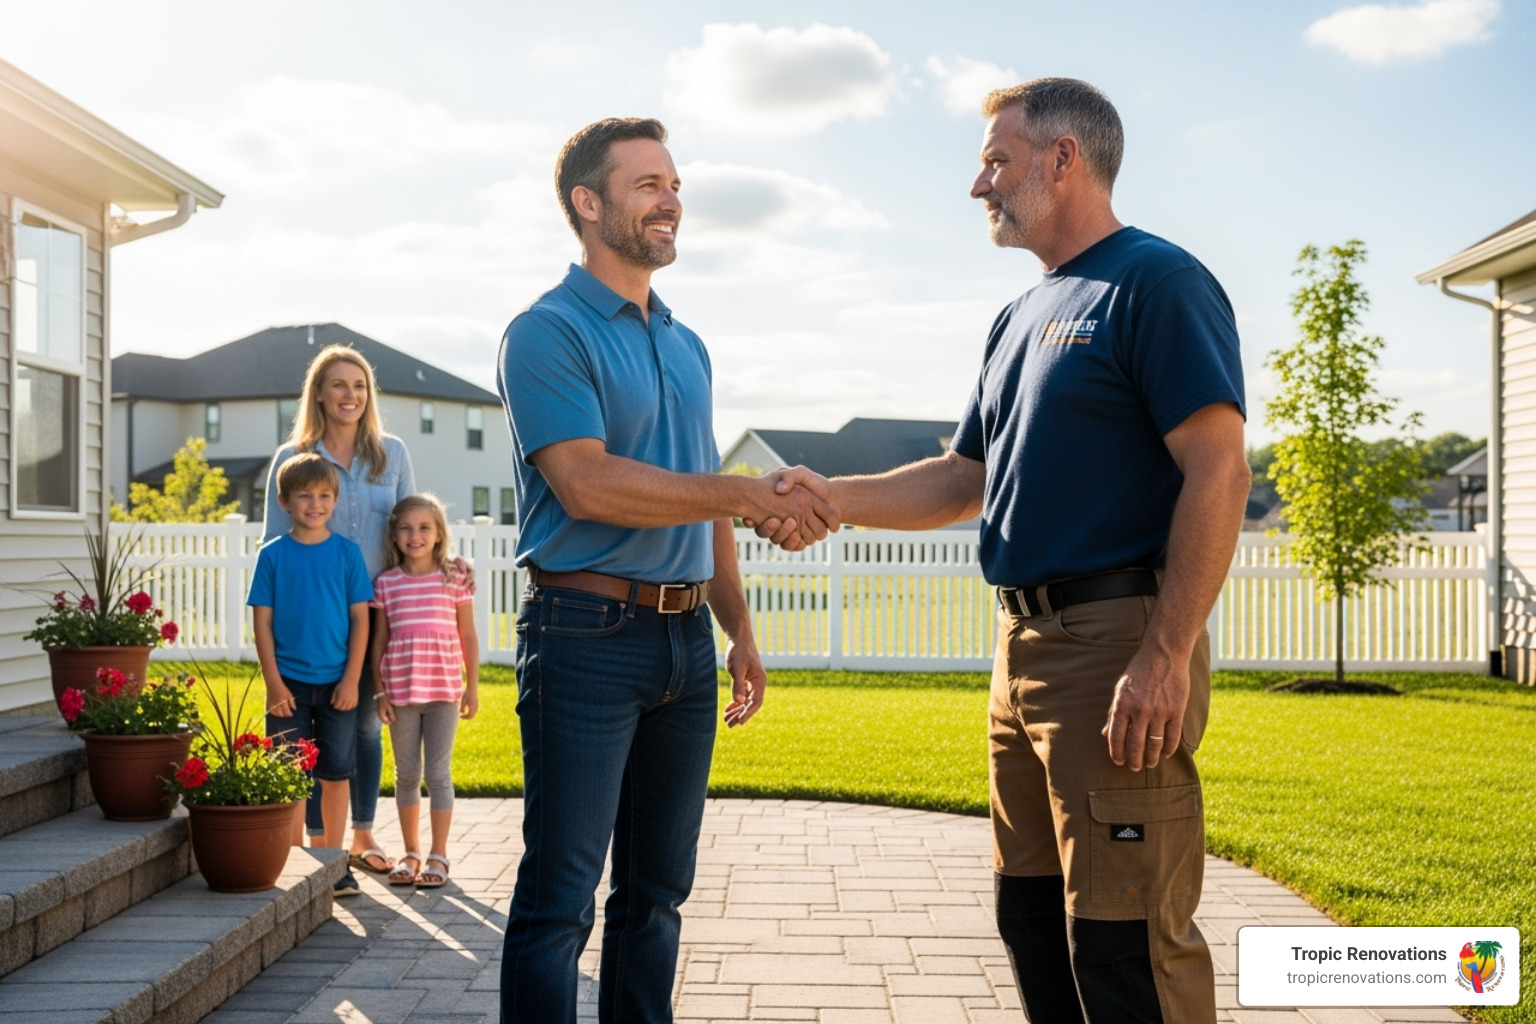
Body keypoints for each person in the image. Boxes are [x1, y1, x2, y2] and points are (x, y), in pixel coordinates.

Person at [758, 79, 1250, 1024]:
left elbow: (1218, 472)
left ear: (1064, 159)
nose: (978, 184)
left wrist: (1165, 654)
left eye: (997, 160)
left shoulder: (1156, 282)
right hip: (1019, 651)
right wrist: (828, 497)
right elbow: (960, 479)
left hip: (1115, 646)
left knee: (1125, 943)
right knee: (1030, 917)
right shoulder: (1020, 316)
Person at [495, 116, 838, 1024]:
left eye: (674, 183)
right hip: (584, 639)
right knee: (558, 902)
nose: (672, 200)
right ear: (588, 202)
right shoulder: (545, 332)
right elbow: (586, 482)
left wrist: (740, 631)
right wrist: (737, 491)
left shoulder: (687, 345)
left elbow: (704, 501)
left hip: (686, 646)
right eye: (648, 184)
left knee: (656, 897)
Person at [263, 344, 415, 895]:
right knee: (307, 736)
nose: (351, 395)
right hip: (313, 619)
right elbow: (271, 545)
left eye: (360, 385)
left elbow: (407, 525)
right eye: (339, 385)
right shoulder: (293, 459)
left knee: (365, 725)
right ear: (320, 393)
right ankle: (316, 842)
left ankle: (363, 835)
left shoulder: (390, 454)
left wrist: (437, 571)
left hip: (375, 612)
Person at [251, 453, 373, 855]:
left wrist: (352, 680)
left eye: (324, 495)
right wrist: (273, 685)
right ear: (284, 502)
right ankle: (291, 861)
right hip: (289, 686)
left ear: (335, 500)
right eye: (304, 495)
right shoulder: (272, 555)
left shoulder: (347, 554)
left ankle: (334, 861)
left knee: (337, 774)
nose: (315, 503)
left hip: (338, 685)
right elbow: (263, 624)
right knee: (289, 774)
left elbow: (360, 621)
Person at [370, 493, 480, 889]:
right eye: (406, 527)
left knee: (437, 773)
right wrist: (380, 693)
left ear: (438, 534)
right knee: (406, 774)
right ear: (394, 534)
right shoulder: (387, 582)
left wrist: (472, 687)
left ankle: (439, 855)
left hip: (444, 693)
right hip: (400, 694)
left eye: (423, 528)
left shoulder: (454, 576)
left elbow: (467, 634)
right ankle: (411, 853)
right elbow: (378, 642)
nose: (414, 535)